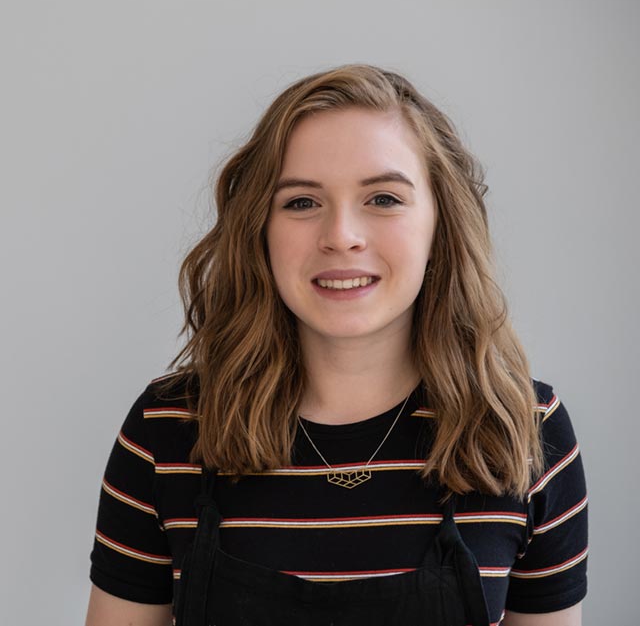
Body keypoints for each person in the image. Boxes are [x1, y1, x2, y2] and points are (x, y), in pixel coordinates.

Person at [85, 64, 588, 626]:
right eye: (301, 202)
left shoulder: (525, 430)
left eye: (384, 198)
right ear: (261, 229)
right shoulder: (167, 429)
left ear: (439, 225)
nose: (341, 235)